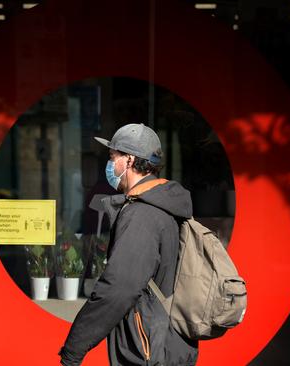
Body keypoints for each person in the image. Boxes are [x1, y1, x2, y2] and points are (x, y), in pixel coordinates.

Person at [59, 123, 198, 366]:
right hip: (164, 341)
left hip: (146, 349)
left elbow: (117, 289)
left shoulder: (142, 215)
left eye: (113, 157)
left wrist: (73, 350)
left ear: (130, 160)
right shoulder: (163, 205)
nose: (110, 165)